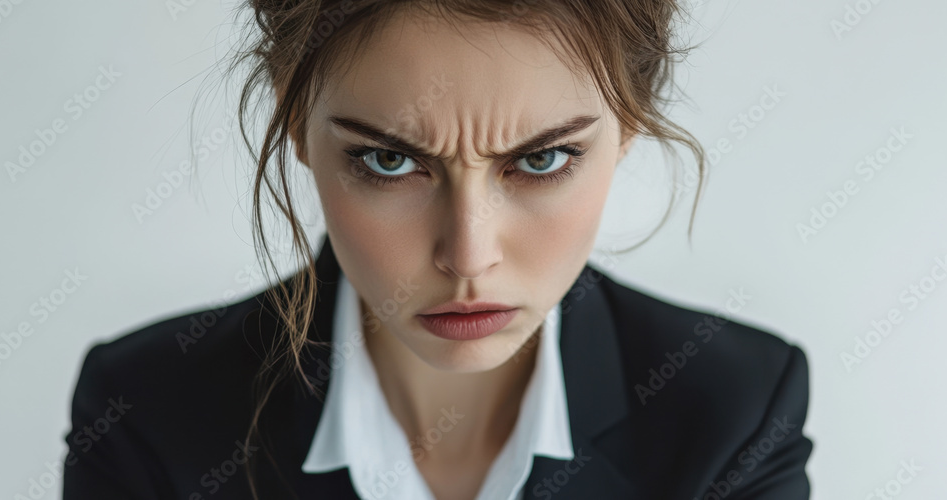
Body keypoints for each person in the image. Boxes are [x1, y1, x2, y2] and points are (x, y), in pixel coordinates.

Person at [63, 1, 813, 499]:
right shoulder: (143, 414)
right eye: (389, 162)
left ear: (629, 133)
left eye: (542, 160)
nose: (468, 255)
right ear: (295, 126)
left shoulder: (733, 415)